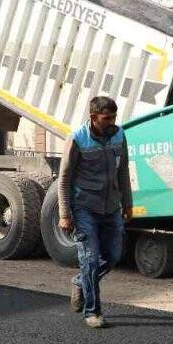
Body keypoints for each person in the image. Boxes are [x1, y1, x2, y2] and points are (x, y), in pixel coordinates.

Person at [58, 96, 133, 329]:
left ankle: (81, 281)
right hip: (84, 208)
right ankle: (93, 311)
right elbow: (64, 178)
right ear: (93, 118)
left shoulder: (119, 135)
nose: (112, 122)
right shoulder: (78, 139)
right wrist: (64, 213)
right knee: (89, 258)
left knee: (113, 256)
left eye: (114, 117)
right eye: (106, 118)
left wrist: (128, 203)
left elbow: (124, 171)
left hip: (111, 206)